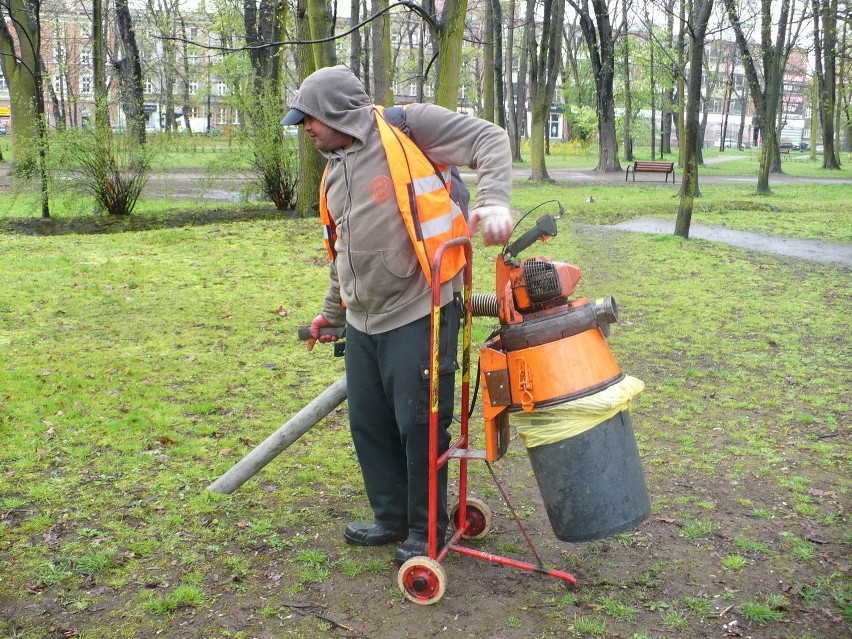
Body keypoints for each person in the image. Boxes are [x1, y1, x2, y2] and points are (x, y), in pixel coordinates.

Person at [283, 65, 513, 564]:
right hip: (364, 319)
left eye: (310, 119)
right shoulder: (336, 166)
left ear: (335, 112)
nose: (306, 129)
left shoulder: (409, 128)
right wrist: (333, 316)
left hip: (421, 305)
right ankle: (390, 519)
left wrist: (494, 202)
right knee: (370, 424)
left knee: (420, 424)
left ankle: (423, 529)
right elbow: (341, 252)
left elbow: (490, 139)